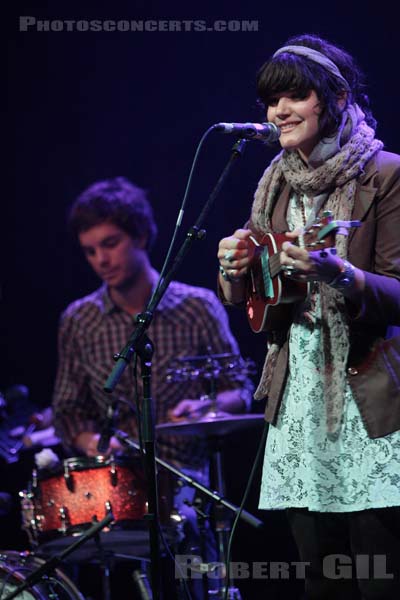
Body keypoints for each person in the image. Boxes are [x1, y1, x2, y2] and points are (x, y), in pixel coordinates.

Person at [217, 34, 400, 600]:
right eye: (271, 101)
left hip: (367, 395)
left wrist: (339, 274)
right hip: (297, 399)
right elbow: (251, 301)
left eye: (295, 96)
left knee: (377, 578)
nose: (278, 112)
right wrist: (234, 267)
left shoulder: (384, 174)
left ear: (338, 98)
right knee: (319, 581)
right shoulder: (274, 183)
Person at [52, 176, 253, 599]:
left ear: (141, 235)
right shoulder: (78, 320)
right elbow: (68, 411)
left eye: (110, 243)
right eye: (90, 251)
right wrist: (93, 444)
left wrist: (204, 408)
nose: (101, 260)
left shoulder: (197, 305)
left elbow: (241, 390)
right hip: (113, 493)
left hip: (186, 484)